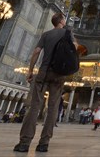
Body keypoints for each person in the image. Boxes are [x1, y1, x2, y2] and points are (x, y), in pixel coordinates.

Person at [14, 12, 75, 153]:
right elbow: (75, 48)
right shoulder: (67, 34)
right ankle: (44, 143)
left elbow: (36, 52)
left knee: (34, 106)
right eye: (64, 19)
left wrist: (30, 70)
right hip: (59, 75)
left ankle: (24, 143)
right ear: (61, 21)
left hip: (43, 72)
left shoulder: (46, 34)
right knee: (53, 108)